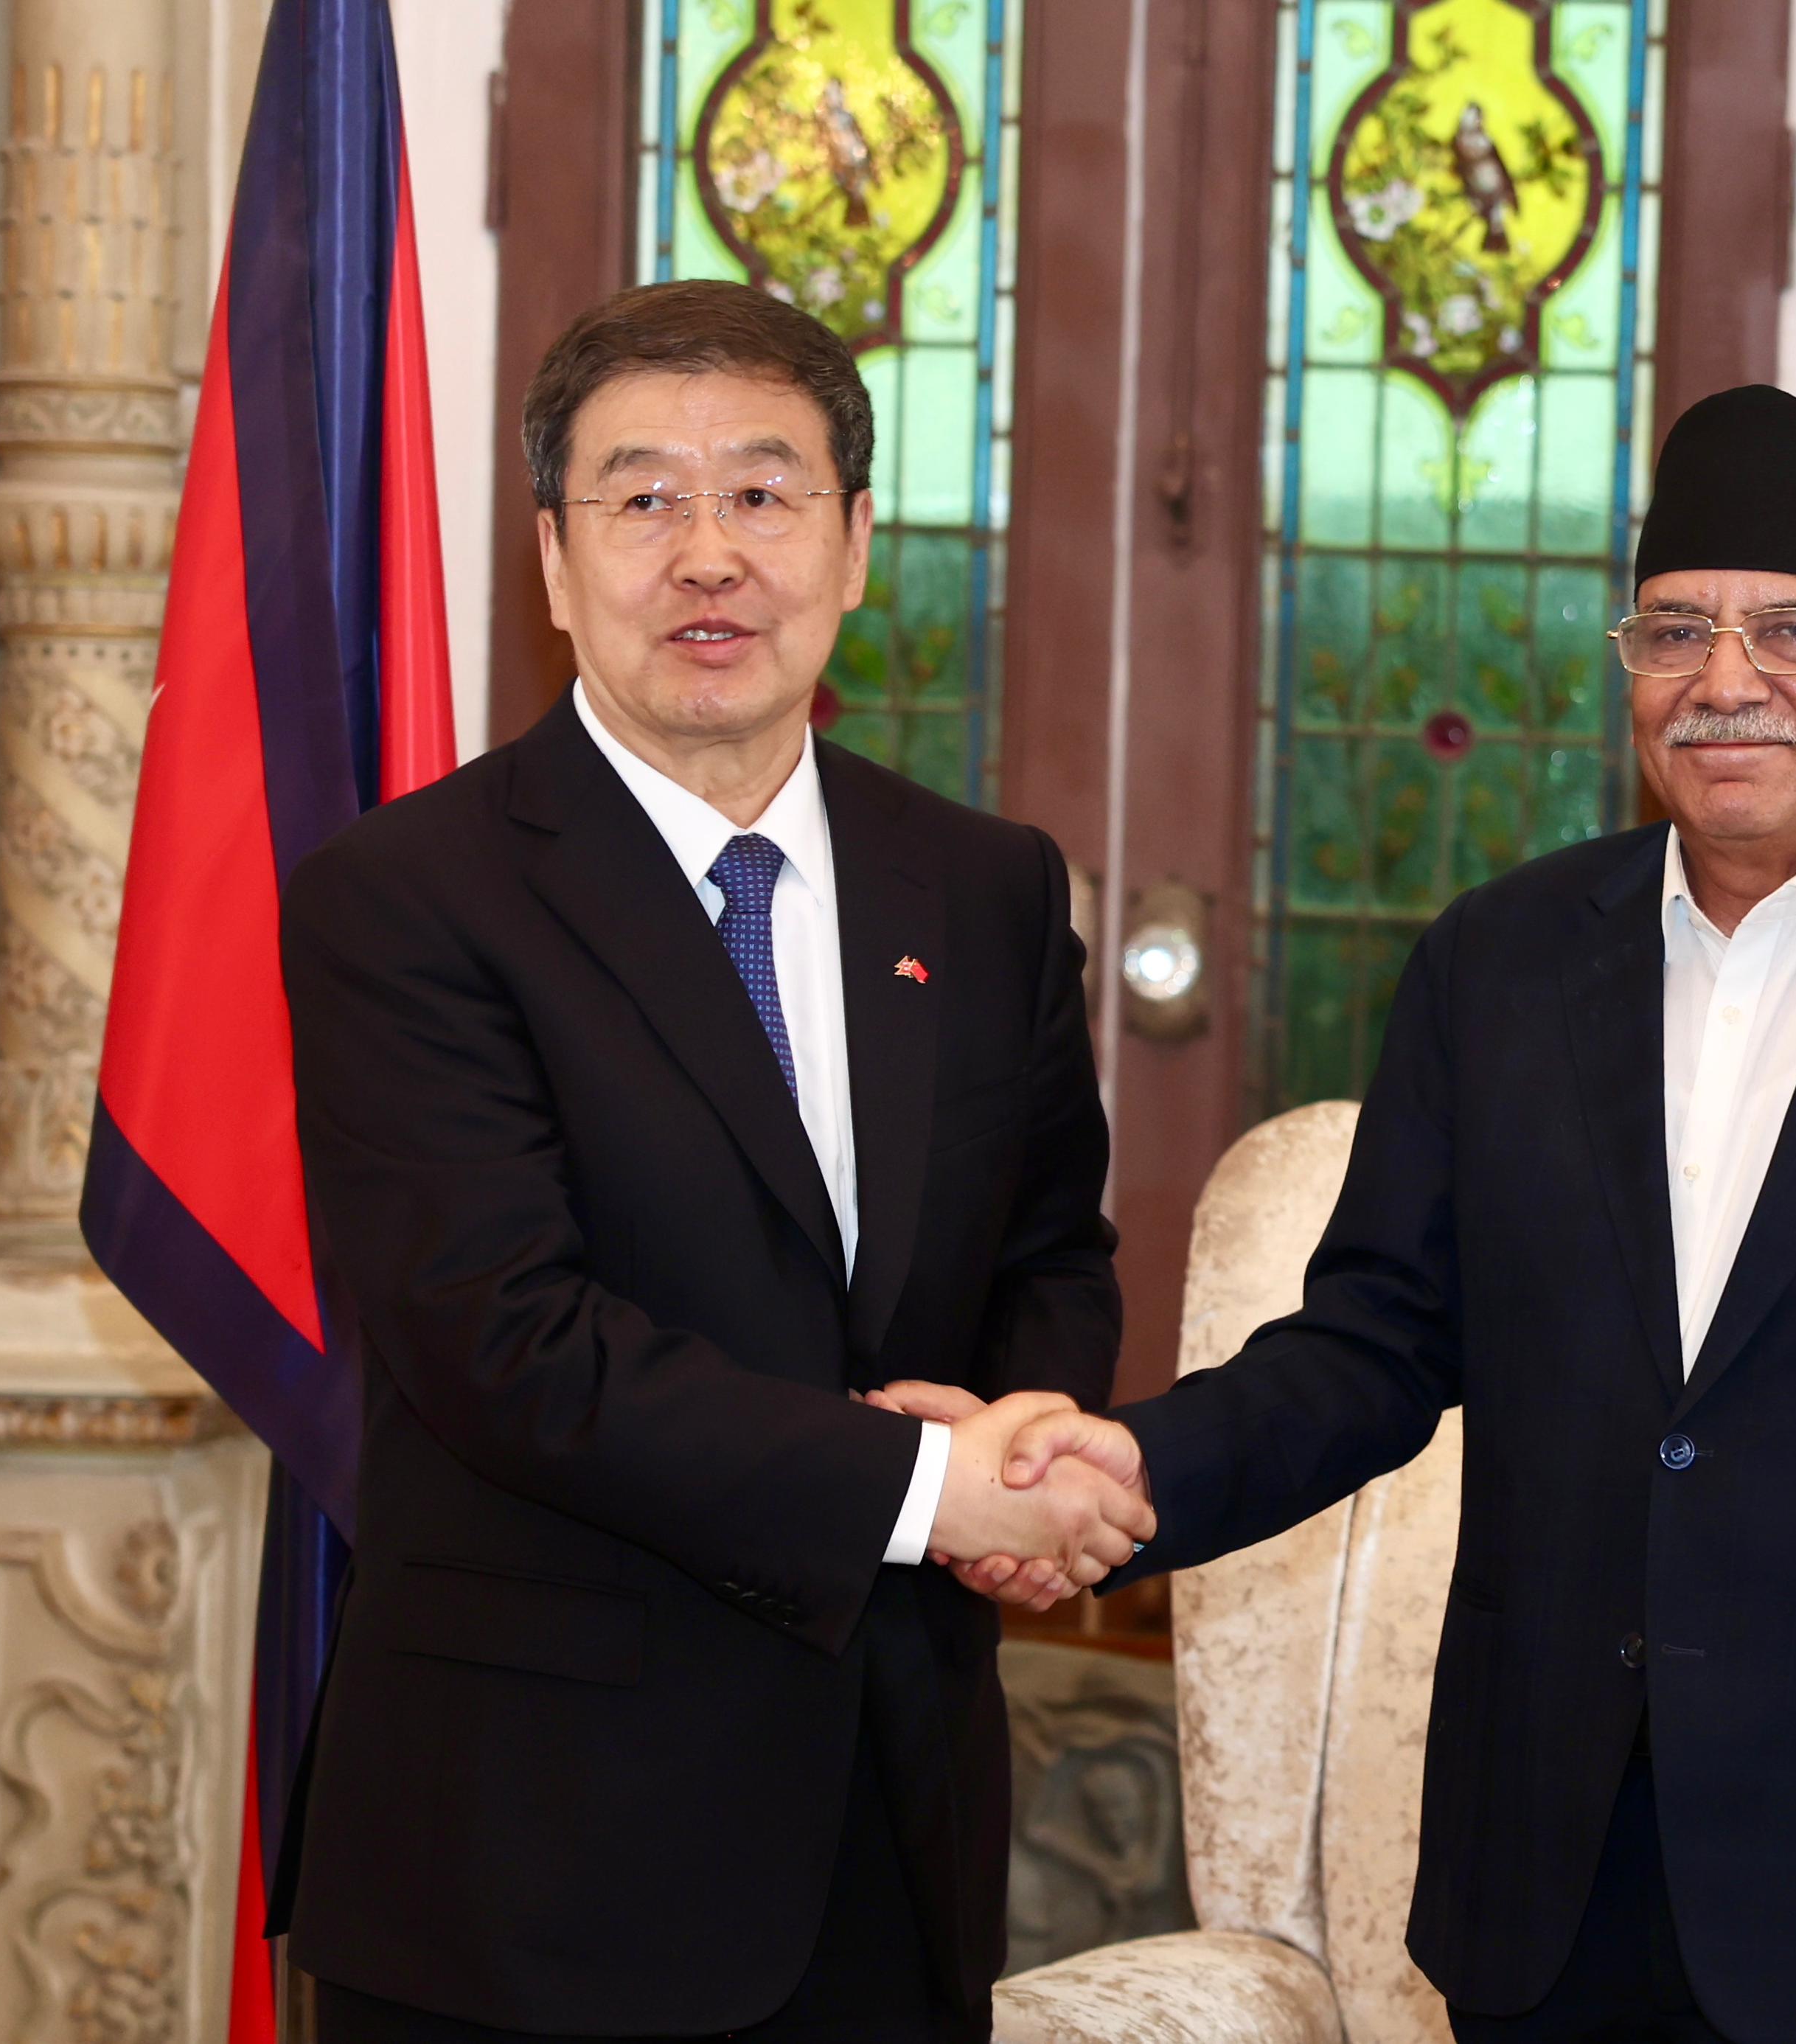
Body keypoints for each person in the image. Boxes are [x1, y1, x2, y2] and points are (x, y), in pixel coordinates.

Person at [968, 386, 1796, 2044]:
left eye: (1794, 630)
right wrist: (1132, 1467)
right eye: (1677, 632)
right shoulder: (1496, 964)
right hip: (1550, 1870)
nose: (1728, 681)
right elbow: (1371, 1344)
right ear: (1629, 666)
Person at [272, 279, 1151, 2044]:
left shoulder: (979, 888)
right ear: (551, 553)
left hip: (891, 1841)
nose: (707, 555)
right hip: (530, 1875)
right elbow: (504, 1343)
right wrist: (926, 1497)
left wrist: (1028, 1445)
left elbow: (1053, 1249)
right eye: (642, 498)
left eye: (762, 493)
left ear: (852, 540)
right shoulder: (408, 900)